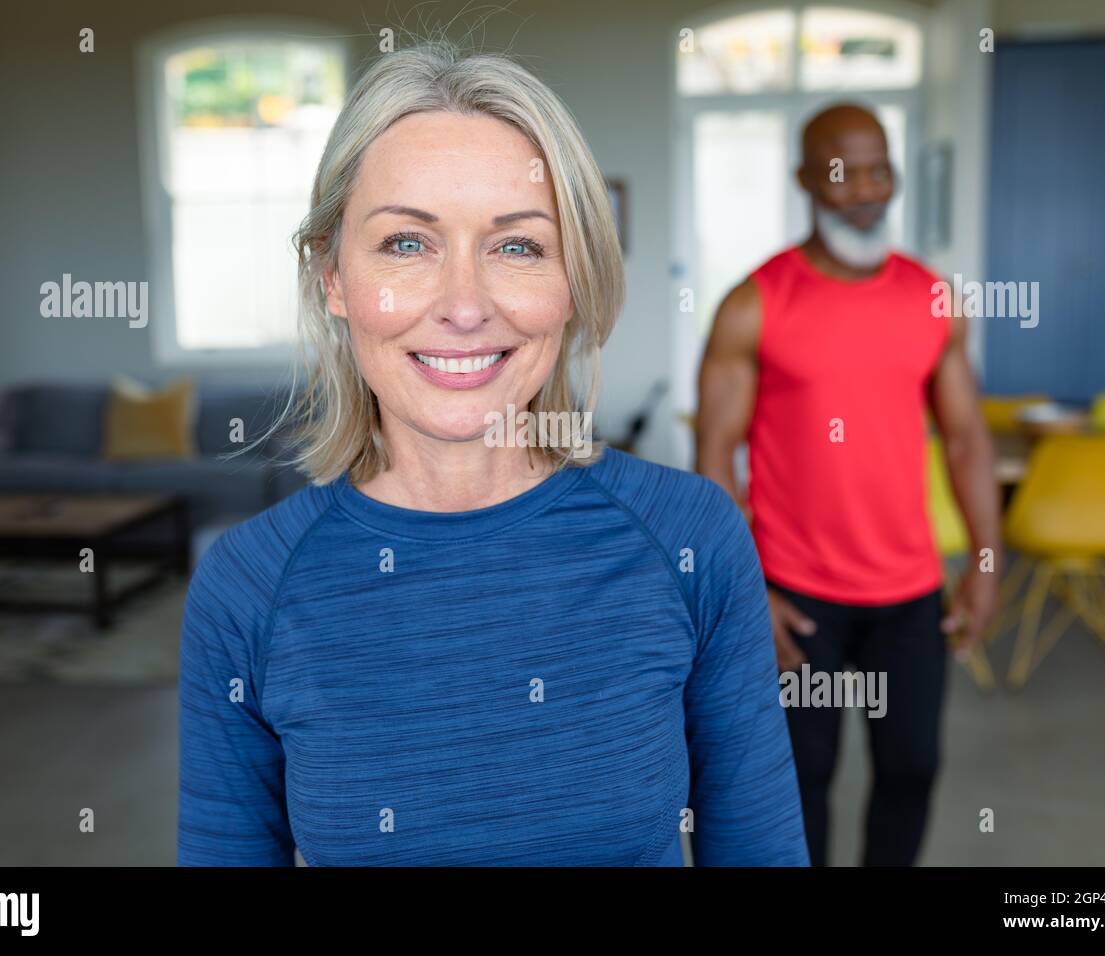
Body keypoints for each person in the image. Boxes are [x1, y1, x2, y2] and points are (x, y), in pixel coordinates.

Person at [177, 40, 808, 867]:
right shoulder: (249, 587)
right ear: (333, 276)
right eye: (408, 243)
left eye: (517, 247)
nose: (465, 306)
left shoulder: (693, 540)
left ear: (573, 281)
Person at [695, 103, 1000, 867]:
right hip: (798, 598)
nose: (863, 187)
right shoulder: (755, 303)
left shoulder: (932, 299)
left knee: (913, 768)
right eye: (841, 170)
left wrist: (988, 567)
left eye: (877, 168)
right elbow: (713, 453)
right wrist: (746, 590)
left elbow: (966, 440)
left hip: (908, 594)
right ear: (806, 178)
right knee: (802, 781)